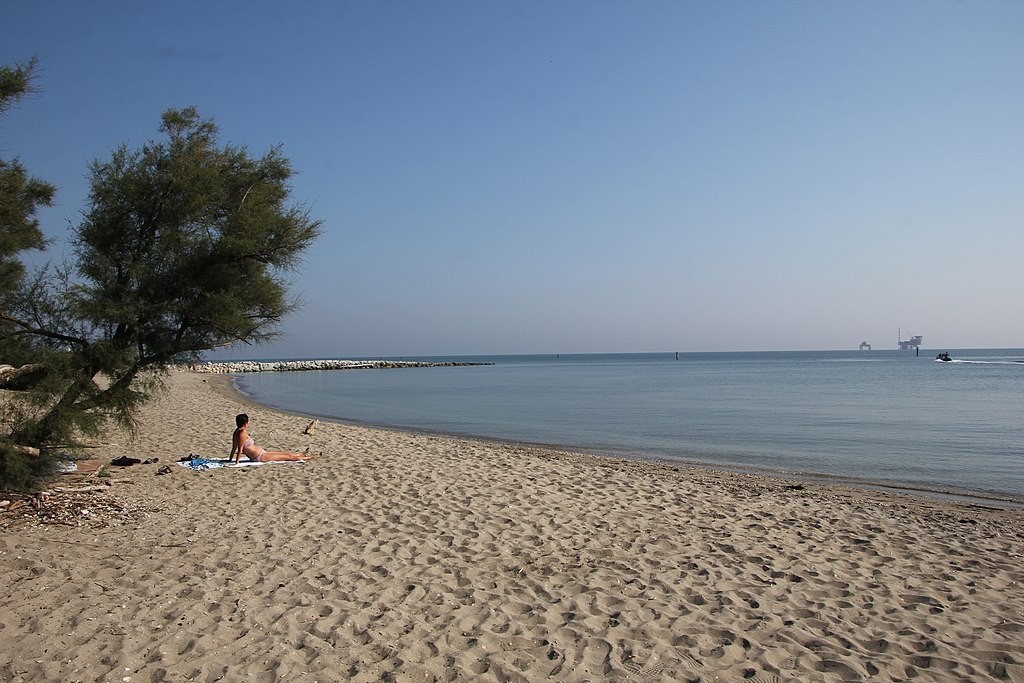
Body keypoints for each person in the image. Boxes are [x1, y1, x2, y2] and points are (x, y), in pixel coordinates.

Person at [231, 413, 318, 464]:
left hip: (261, 453)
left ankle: (301, 454)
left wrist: (230, 459)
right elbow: (239, 449)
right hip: (259, 457)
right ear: (246, 423)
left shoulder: (236, 431)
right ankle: (309, 457)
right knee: (287, 457)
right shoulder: (242, 433)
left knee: (284, 453)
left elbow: (233, 448)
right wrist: (236, 463)